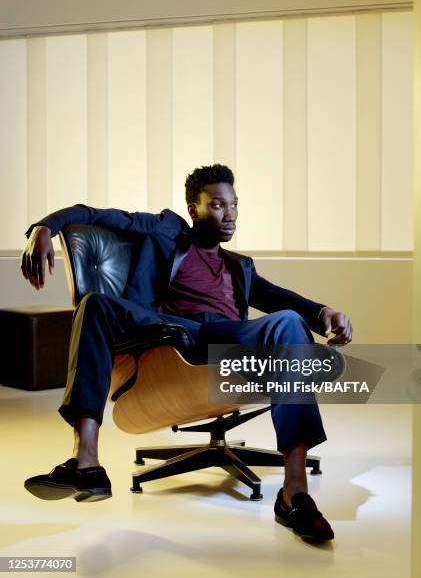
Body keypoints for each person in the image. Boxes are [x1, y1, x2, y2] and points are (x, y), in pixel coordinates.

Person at [21, 164, 352, 542]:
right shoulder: (165, 230)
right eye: (216, 205)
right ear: (194, 209)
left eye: (233, 205)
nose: (229, 215)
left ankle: (295, 490)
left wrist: (323, 313)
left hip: (227, 338)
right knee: (95, 303)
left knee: (290, 321)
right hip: (176, 333)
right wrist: (44, 227)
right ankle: (86, 461)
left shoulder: (240, 265)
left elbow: (277, 296)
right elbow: (95, 215)